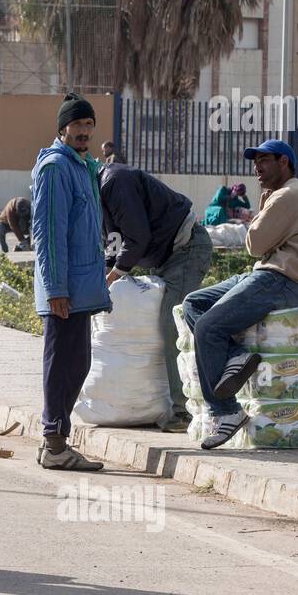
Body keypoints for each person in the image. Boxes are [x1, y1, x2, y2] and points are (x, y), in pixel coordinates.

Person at [183, 140, 298, 449]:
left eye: (264, 160)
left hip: (279, 281)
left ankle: (226, 411)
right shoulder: (297, 196)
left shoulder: (287, 196)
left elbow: (254, 245)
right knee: (194, 303)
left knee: (208, 327)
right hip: (269, 275)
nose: (257, 167)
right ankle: (236, 357)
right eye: (255, 161)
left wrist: (261, 210)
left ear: (284, 162)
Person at [99, 162, 213, 432]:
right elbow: (115, 244)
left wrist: (111, 278)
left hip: (186, 250)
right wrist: (100, 281)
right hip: (165, 258)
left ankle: (183, 411)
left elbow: (137, 237)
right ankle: (162, 403)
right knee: (155, 326)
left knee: (171, 325)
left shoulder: (114, 182)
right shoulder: (99, 193)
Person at [31, 93, 110, 471]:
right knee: (63, 363)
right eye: (77, 124)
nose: (84, 131)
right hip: (65, 288)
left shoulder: (82, 166)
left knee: (76, 363)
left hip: (80, 286)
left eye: (89, 125)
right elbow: (49, 232)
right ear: (62, 128)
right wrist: (56, 288)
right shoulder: (55, 169)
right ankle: (55, 444)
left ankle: (54, 441)